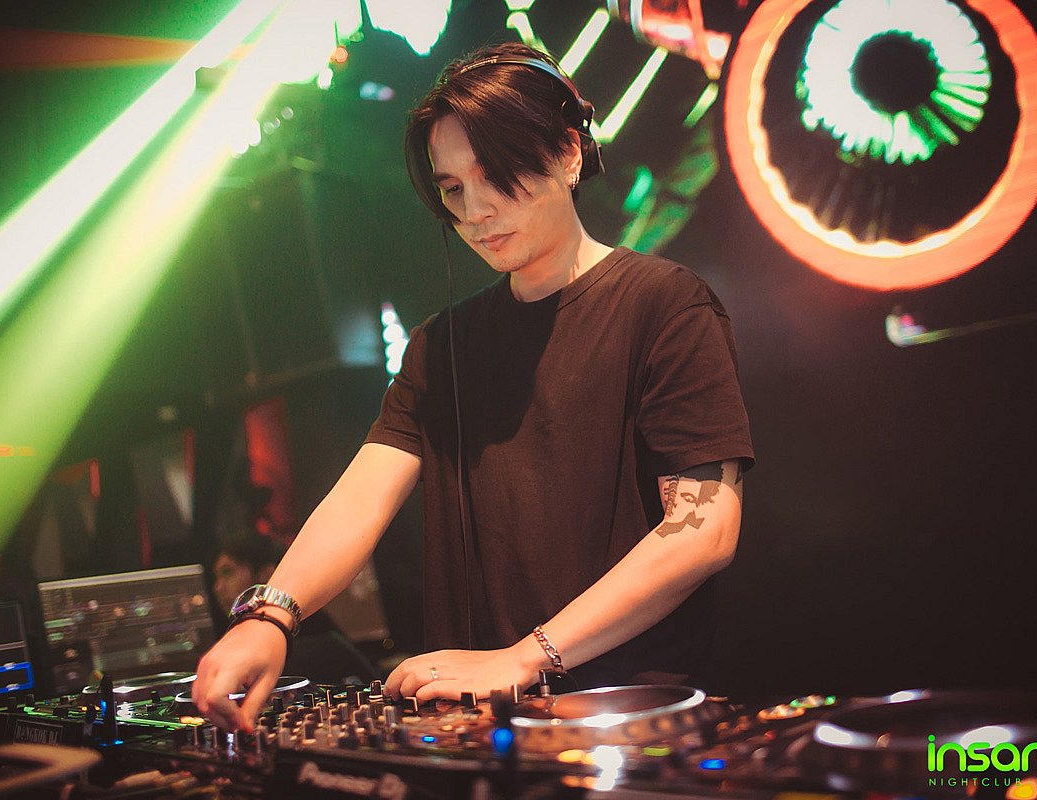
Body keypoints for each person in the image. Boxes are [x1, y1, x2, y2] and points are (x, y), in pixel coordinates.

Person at [193, 41, 754, 733]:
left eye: (497, 174)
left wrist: (525, 657)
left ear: (570, 154)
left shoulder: (665, 304)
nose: (476, 210)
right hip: (473, 716)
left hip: (628, 722)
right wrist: (271, 615)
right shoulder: (441, 346)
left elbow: (703, 532)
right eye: (453, 189)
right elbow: (361, 497)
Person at [210, 533, 379, 685]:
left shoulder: (312, 636)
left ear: (267, 574)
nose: (218, 588)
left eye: (228, 572)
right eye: (216, 577)